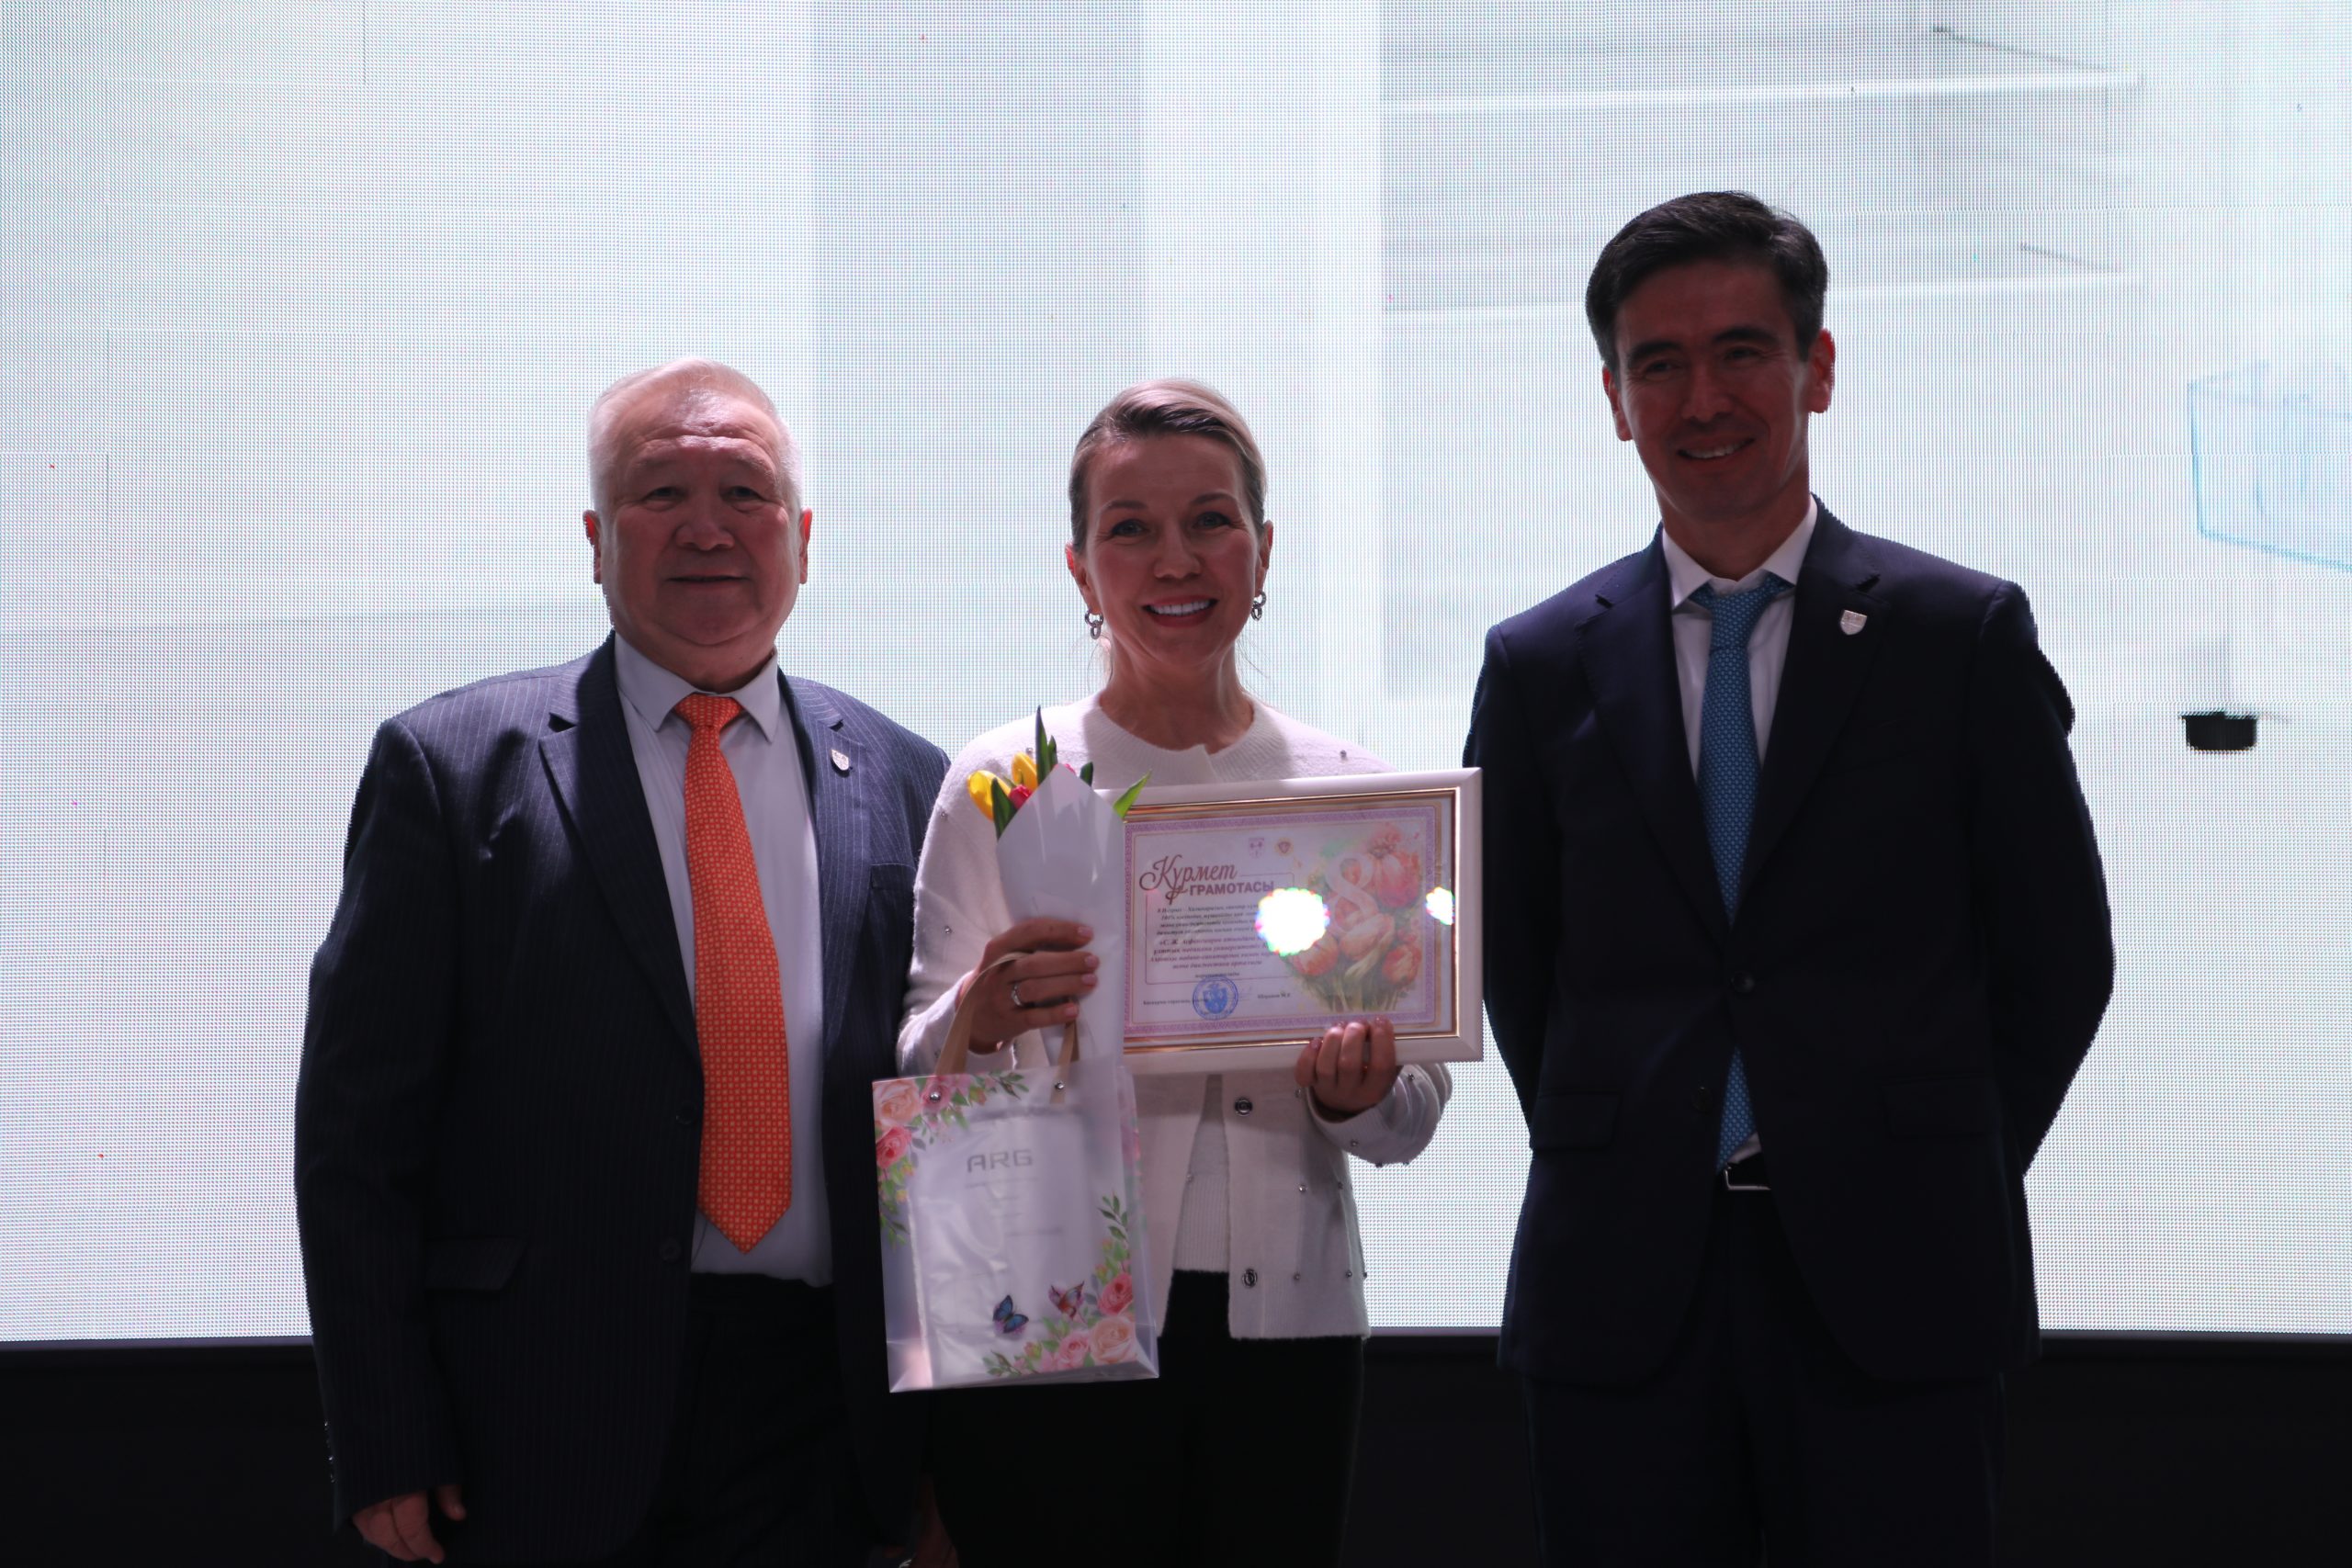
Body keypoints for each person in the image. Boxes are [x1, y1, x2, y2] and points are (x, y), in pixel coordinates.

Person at [1465, 192, 2114, 1565]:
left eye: (1742, 352)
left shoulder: (1957, 635)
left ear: (1818, 368)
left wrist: (1929, 1158)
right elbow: (1515, 965)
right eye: (1658, 363)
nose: (1702, 398)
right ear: (1614, 399)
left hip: (1901, 1281)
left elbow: (2059, 958)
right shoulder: (1539, 664)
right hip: (1622, 1285)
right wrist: (1632, 1136)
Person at [294, 359, 948, 1566]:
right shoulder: (451, 770)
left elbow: (936, 1128)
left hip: (823, 1424)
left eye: (744, 493)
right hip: (533, 1420)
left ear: (802, 538)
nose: (707, 528)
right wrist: (385, 1431)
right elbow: (356, 1139)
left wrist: (950, 1458)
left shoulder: (911, 780)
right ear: (596, 540)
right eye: (660, 494)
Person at [898, 378, 1451, 1567]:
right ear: (1079, 567)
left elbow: (1414, 1109)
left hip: (1286, 1326)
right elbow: (915, 1071)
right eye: (1130, 528)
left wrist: (1357, 1096)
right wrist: (974, 1017)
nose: (1174, 559)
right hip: (1052, 1306)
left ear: (1263, 549)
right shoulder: (1007, 776)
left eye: (1210, 520)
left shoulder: (1348, 791)